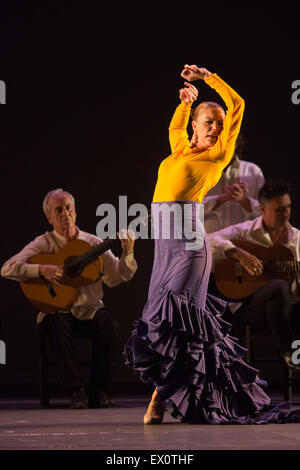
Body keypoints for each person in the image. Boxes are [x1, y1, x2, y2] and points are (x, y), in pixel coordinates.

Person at [123, 64, 300, 425]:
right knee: (160, 320)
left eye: (219, 124)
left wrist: (208, 80)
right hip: (165, 248)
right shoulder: (180, 150)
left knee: (177, 319)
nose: (216, 128)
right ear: (195, 127)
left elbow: (238, 105)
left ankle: (158, 401)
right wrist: (186, 102)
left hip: (190, 248)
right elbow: (175, 127)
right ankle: (177, 395)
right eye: (209, 122)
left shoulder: (215, 156)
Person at [1, 188, 137, 409]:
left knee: (109, 324)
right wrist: (40, 269)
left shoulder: (93, 242)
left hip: (89, 310)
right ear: (49, 217)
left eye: (68, 208)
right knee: (57, 323)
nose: (65, 213)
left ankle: (100, 390)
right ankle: (76, 391)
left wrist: (128, 253)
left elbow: (115, 277)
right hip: (57, 311)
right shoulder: (44, 243)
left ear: (75, 212)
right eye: (59, 209)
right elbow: (7, 268)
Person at [208, 178, 300, 369]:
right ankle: (289, 349)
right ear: (263, 209)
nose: (286, 214)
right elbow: (209, 240)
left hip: (288, 309)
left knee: (283, 290)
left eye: (288, 208)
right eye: (279, 210)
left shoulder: (297, 239)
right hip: (251, 308)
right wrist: (238, 254)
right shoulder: (246, 231)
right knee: (278, 286)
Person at [203, 133, 265, 233]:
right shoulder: (201, 173)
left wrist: (243, 199)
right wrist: (220, 200)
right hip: (210, 245)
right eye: (220, 141)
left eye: (229, 140)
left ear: (236, 142)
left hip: (243, 245)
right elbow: (187, 212)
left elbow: (266, 213)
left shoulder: (253, 171)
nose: (225, 146)